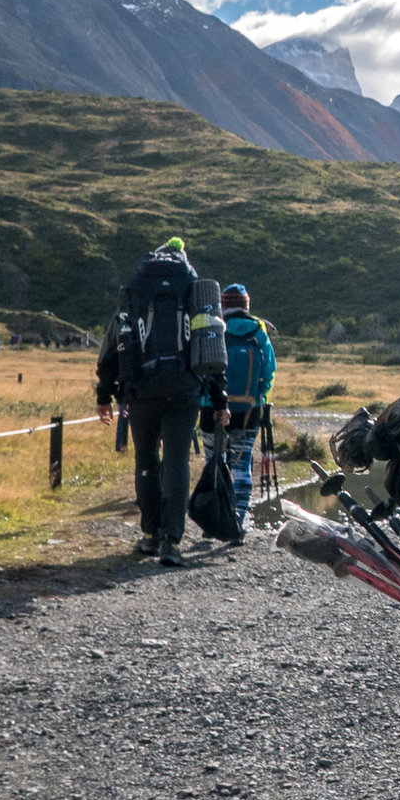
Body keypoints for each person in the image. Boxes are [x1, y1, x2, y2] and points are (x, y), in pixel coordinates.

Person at [95, 236, 228, 568]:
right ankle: (172, 541)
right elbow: (209, 348)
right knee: (177, 462)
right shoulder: (193, 294)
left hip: (141, 390)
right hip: (184, 391)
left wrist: (103, 395)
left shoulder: (136, 292)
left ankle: (150, 534)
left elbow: (112, 347)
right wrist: (219, 399)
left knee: (146, 460)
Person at [214, 283, 276, 545]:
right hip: (250, 410)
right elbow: (269, 370)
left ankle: (216, 519)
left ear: (223, 305)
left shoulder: (215, 328)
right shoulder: (258, 330)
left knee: (215, 462)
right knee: (242, 464)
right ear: (247, 305)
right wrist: (260, 398)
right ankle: (238, 520)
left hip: (214, 409)